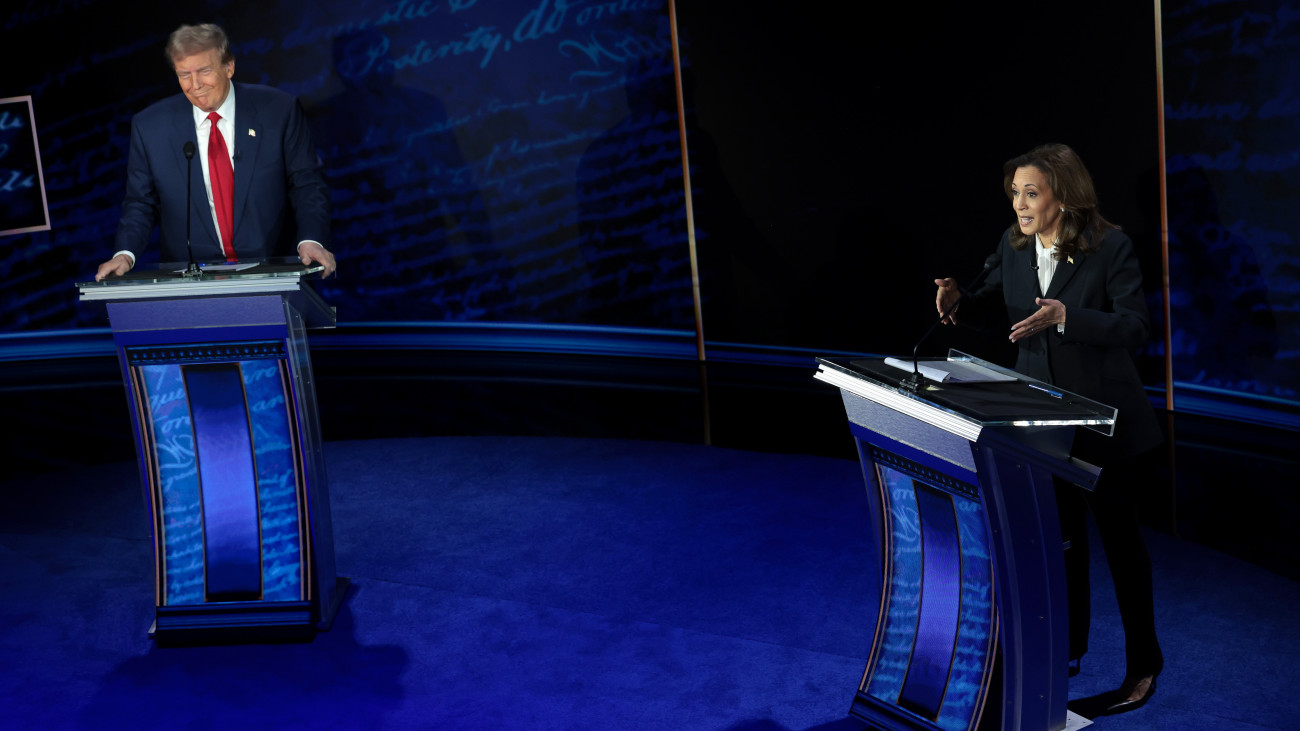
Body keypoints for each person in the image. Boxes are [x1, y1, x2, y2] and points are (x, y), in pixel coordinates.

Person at [934, 143, 1163, 716]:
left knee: (1121, 548)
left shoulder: (1110, 247)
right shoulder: (1012, 248)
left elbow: (1137, 327)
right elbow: (993, 308)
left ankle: (1143, 667)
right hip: (1041, 423)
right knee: (1059, 544)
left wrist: (1069, 318)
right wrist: (959, 302)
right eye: (1014, 192)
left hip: (1105, 424)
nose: (1019, 203)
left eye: (1030, 192)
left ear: (1063, 194)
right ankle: (1067, 649)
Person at [96, 23, 335, 281]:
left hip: (273, 272)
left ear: (229, 66)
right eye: (184, 74)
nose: (195, 84)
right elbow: (140, 203)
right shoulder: (150, 127)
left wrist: (311, 240)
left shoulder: (278, 111)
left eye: (204, 71)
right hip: (190, 282)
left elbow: (307, 184)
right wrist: (125, 253)